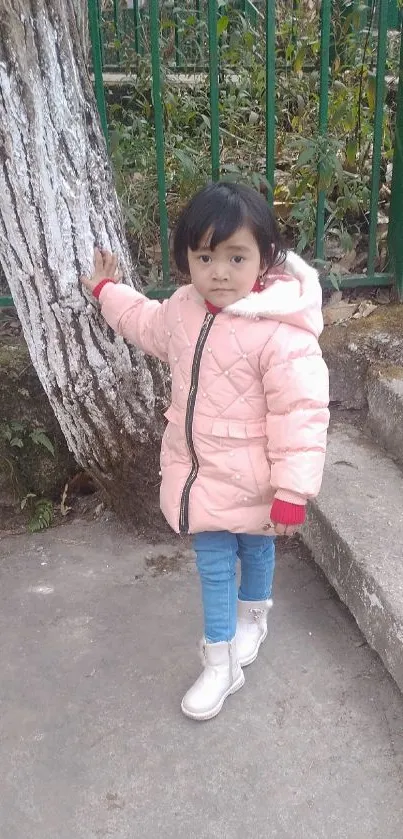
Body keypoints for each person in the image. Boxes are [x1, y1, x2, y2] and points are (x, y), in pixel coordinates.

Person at [81, 181, 329, 722]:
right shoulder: (183, 309)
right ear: (186, 260)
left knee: (257, 546)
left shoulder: (282, 334)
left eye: (235, 257)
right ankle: (220, 661)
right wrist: (106, 292)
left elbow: (301, 414)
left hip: (259, 475)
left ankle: (254, 617)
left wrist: (292, 489)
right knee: (215, 561)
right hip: (201, 473)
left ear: (264, 259)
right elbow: (143, 322)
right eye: (204, 257)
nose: (219, 271)